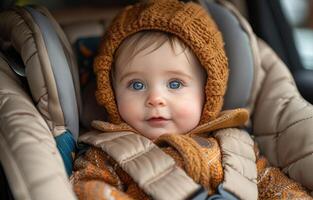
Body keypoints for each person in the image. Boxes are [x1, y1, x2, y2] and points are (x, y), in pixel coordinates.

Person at [71, 0, 312, 199]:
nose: (155, 98)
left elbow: (270, 183)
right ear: (111, 94)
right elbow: (88, 189)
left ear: (207, 92)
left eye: (175, 84)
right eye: (136, 84)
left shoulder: (234, 146)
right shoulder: (105, 154)